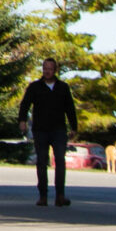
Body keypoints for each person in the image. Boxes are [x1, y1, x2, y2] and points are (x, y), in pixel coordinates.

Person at [19, 57, 78, 207]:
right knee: (41, 161)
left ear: (55, 70)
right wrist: (22, 121)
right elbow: (25, 104)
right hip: (40, 129)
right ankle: (43, 196)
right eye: (45, 68)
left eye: (50, 69)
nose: (47, 71)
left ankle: (60, 195)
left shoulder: (63, 87)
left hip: (58, 129)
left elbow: (70, 108)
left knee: (60, 160)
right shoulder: (35, 87)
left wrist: (74, 127)